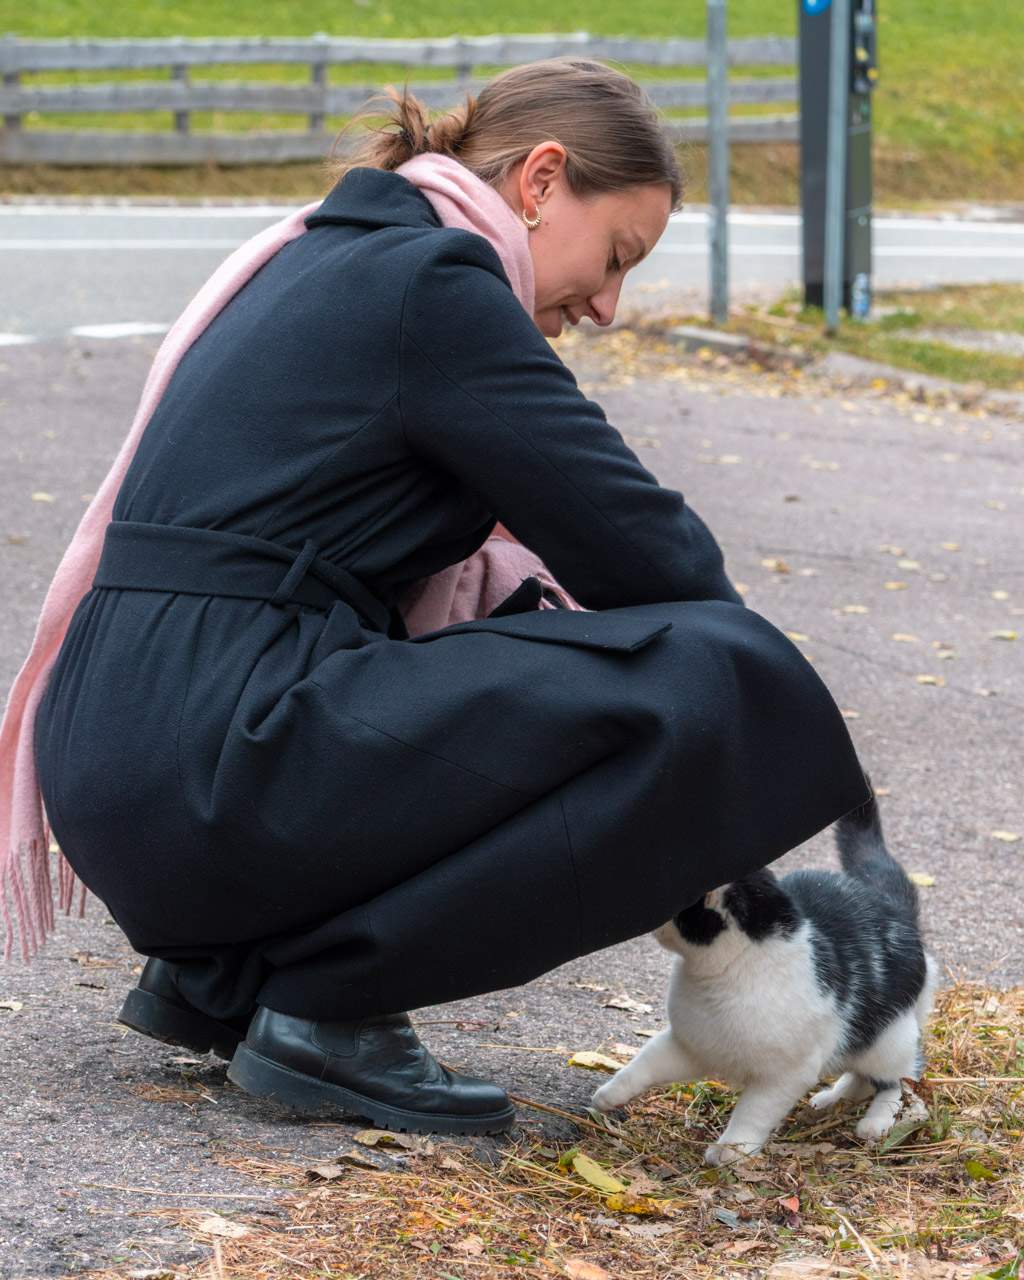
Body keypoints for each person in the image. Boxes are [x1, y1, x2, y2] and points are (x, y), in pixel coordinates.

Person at [16, 58, 870, 1136]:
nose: (606, 307)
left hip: (129, 757)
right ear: (542, 179)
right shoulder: (437, 286)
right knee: (725, 680)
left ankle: (226, 970)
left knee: (570, 648)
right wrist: (750, 744)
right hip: (209, 759)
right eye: (616, 258)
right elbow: (644, 549)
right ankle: (331, 1006)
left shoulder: (335, 256)